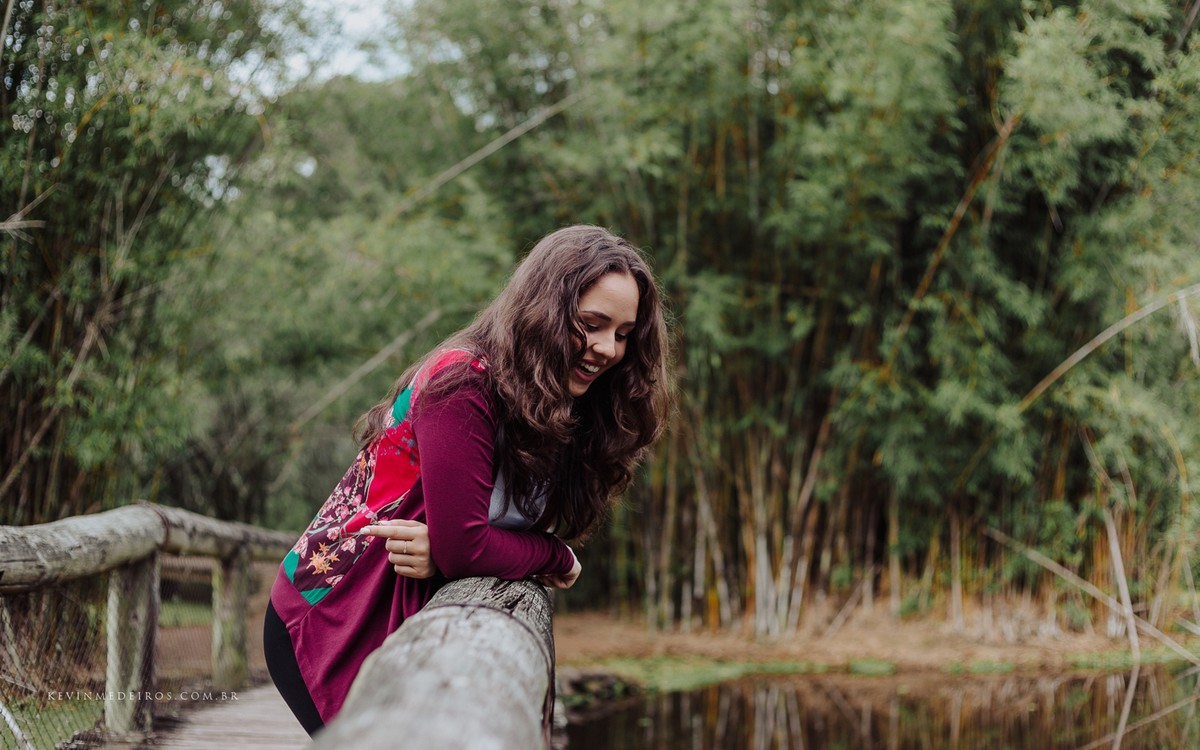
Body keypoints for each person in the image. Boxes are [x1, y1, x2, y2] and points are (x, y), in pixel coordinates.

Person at [262, 225, 670, 734]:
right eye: (591, 324)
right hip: (331, 616)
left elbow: (464, 542)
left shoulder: (553, 400)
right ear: (545, 310)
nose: (608, 348)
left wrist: (451, 547)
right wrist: (554, 556)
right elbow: (467, 547)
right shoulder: (464, 383)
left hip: (404, 613)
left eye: (624, 334)